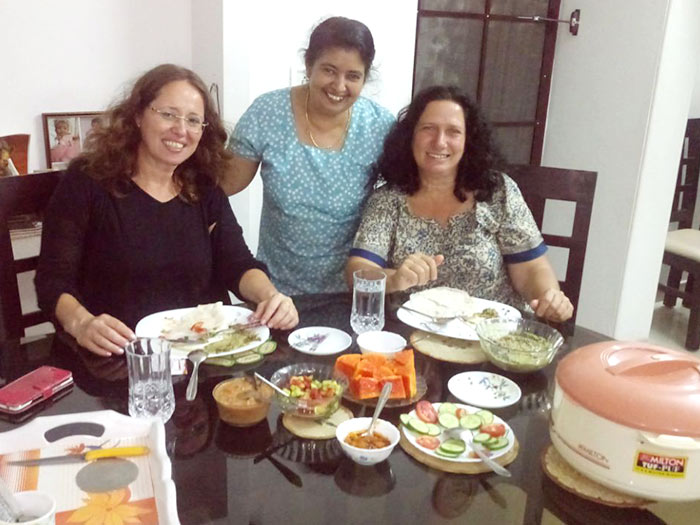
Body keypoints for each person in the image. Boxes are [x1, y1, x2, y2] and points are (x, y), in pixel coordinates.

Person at [35, 64, 299, 357]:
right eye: (168, 114)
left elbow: (237, 263)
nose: (181, 130)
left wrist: (270, 296)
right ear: (138, 115)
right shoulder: (87, 181)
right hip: (117, 354)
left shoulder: (204, 186)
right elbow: (52, 280)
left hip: (203, 355)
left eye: (193, 120)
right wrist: (81, 323)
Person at [345, 85, 573, 322]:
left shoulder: (497, 190)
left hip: (492, 333)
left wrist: (548, 297)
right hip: (413, 336)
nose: (439, 142)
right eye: (428, 129)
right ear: (410, 136)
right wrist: (394, 279)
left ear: (468, 140)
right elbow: (357, 272)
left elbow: (531, 268)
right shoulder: (388, 200)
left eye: (453, 132)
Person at [224, 16, 395, 295]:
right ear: (308, 65)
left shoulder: (379, 126)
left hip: (350, 294)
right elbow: (224, 184)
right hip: (274, 295)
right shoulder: (268, 112)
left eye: (353, 76)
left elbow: (407, 194)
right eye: (329, 70)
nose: (339, 86)